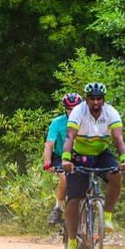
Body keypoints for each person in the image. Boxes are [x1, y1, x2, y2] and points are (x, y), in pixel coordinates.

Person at [61, 82, 125, 249]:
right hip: (79, 155)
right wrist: (66, 158)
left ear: (104, 100)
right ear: (86, 99)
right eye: (92, 98)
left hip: (100, 154)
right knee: (74, 197)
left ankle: (107, 215)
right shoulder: (78, 111)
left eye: (99, 98)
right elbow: (70, 136)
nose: (95, 102)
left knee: (115, 175)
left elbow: (119, 139)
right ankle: (71, 241)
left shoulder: (111, 113)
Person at [43, 92, 83, 225]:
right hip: (60, 156)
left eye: (75, 108)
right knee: (65, 180)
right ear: (65, 108)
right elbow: (49, 144)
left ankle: (89, 211)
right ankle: (57, 208)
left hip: (80, 155)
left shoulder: (86, 122)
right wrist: (47, 162)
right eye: (69, 108)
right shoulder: (57, 123)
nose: (72, 112)